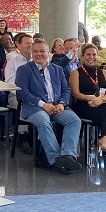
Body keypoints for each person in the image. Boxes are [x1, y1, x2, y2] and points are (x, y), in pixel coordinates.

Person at [14, 39, 82, 174]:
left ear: (48, 53)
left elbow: (66, 90)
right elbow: (22, 93)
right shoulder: (24, 70)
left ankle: (67, 155)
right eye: (35, 51)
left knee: (74, 120)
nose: (39, 54)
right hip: (35, 107)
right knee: (44, 121)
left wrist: (62, 104)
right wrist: (43, 104)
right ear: (31, 53)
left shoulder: (57, 69)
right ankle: (55, 159)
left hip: (57, 106)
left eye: (42, 51)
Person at [69, 43, 106, 171]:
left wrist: (100, 99)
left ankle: (105, 138)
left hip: (101, 104)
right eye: (88, 54)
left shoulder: (103, 72)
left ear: (98, 56)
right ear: (82, 56)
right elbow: (75, 93)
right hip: (84, 105)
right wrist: (90, 98)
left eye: (94, 54)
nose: (91, 57)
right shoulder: (76, 72)